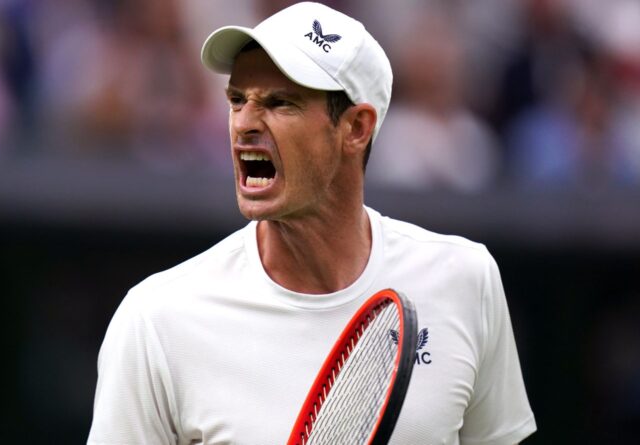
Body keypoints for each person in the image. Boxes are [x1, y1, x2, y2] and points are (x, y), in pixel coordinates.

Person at [87, 3, 536, 444]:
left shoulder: (467, 278)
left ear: (357, 128)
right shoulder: (153, 320)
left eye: (280, 103)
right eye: (237, 99)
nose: (244, 123)